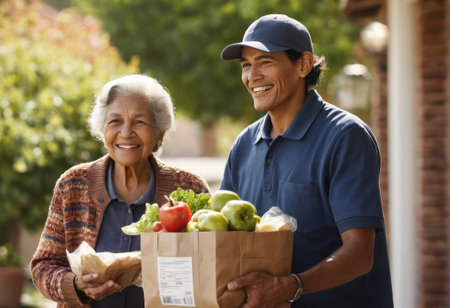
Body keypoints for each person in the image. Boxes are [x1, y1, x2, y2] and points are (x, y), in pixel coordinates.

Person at [220, 14, 393, 308]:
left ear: (303, 64)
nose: (252, 76)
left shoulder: (345, 137)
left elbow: (360, 252)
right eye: (246, 65)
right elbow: (226, 241)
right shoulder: (244, 145)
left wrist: (290, 287)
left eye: (265, 62)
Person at [30, 74, 210, 307]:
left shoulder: (189, 189)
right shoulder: (73, 185)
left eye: (139, 122)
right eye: (115, 121)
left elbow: (211, 267)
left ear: (160, 132)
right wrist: (76, 285)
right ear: (102, 129)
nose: (126, 132)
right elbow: (43, 267)